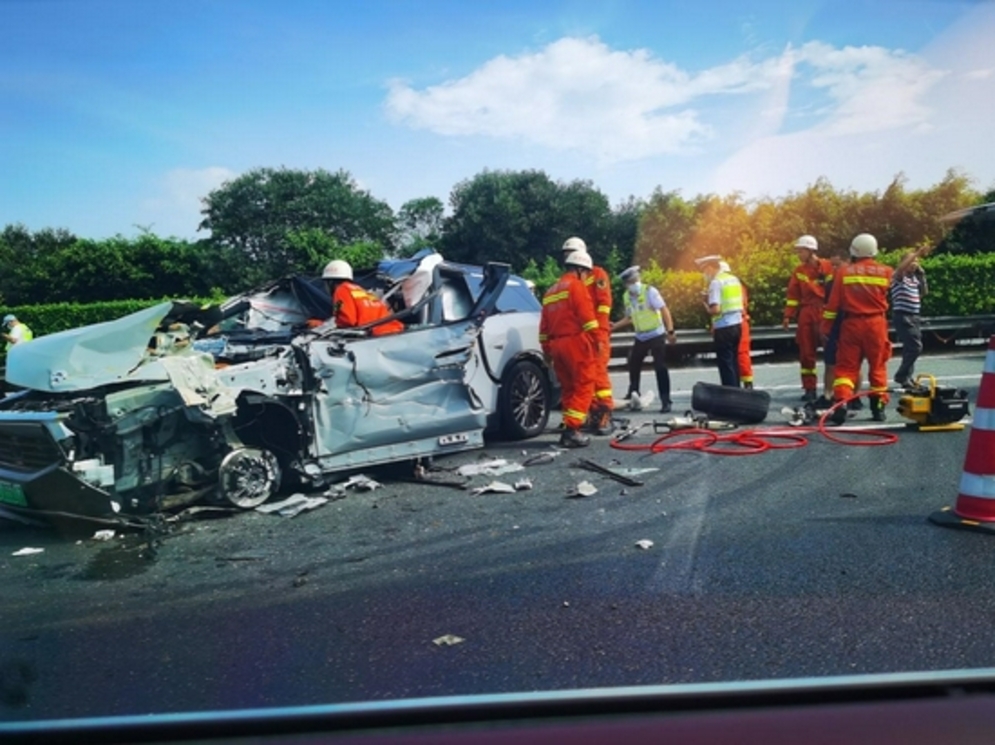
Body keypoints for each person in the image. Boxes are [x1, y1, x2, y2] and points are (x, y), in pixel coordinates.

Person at [821, 233, 893, 423]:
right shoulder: (886, 271)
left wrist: (826, 327)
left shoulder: (844, 272)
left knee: (845, 368)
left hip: (851, 324)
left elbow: (833, 304)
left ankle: (841, 404)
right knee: (878, 367)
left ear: (854, 251)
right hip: (876, 324)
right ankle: (878, 408)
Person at [539, 250, 600, 448]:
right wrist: (597, 340)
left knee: (568, 388)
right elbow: (588, 318)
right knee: (584, 384)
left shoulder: (550, 291)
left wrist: (547, 351)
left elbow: (544, 327)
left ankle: (568, 424)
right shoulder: (577, 287)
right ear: (581, 270)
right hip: (576, 342)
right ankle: (572, 430)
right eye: (586, 273)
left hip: (556, 345)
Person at [561, 237, 614, 435]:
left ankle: (604, 413)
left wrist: (598, 334)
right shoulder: (570, 281)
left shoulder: (596, 274)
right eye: (566, 254)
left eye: (571, 252)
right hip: (579, 336)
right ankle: (589, 413)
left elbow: (604, 304)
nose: (567, 256)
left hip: (594, 331)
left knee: (598, 374)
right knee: (581, 378)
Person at [610, 266, 676, 413]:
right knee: (634, 363)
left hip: (656, 334)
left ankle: (666, 401)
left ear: (637, 280)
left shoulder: (650, 291)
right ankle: (633, 394)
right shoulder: (627, 296)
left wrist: (670, 331)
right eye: (628, 283)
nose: (631, 285)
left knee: (660, 367)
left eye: (633, 281)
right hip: (641, 336)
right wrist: (612, 327)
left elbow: (664, 310)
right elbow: (629, 318)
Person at [782, 235, 834, 404]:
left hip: (826, 312)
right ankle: (809, 389)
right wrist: (788, 315)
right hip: (806, 313)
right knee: (806, 353)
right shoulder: (799, 271)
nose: (798, 254)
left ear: (811, 251)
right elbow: (793, 295)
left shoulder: (828, 267)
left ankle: (833, 389)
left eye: (801, 251)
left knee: (833, 353)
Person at [819, 250, 863, 411]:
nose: (835, 269)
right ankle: (828, 396)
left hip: (851, 325)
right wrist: (825, 327)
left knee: (854, 364)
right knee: (830, 362)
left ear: (848, 262)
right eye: (833, 266)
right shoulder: (831, 283)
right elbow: (828, 307)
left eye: (838, 265)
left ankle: (855, 397)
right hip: (835, 326)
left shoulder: (855, 282)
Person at [696, 255, 743, 387]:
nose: (705, 274)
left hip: (723, 327)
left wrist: (705, 303)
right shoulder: (733, 279)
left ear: (711, 268)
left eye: (705, 270)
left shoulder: (716, 282)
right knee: (733, 361)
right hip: (737, 325)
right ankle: (737, 391)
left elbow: (715, 309)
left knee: (725, 363)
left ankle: (730, 394)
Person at [321, 260, 404, 336]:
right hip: (395, 330)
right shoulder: (359, 289)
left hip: (379, 335)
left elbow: (347, 320)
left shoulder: (341, 290)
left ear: (330, 282)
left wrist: (331, 326)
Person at [891, 245, 931, 388]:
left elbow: (924, 293)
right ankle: (901, 376)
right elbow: (901, 268)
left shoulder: (913, 278)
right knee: (915, 347)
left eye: (917, 262)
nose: (914, 264)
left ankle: (907, 377)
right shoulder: (899, 277)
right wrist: (917, 253)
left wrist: (922, 275)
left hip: (914, 316)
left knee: (910, 348)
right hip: (903, 316)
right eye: (912, 262)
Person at [720, 260, 754, 389]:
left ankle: (744, 384)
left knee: (740, 354)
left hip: (735, 322)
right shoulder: (736, 283)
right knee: (739, 354)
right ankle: (743, 384)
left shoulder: (725, 284)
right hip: (737, 322)